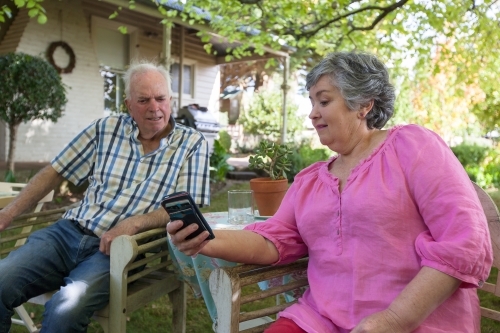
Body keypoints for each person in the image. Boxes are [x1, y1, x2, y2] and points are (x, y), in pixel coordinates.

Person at [168, 51, 493, 333]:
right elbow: (272, 240)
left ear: (364, 103)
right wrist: (207, 239)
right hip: (318, 320)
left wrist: (395, 319)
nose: (312, 112)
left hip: (416, 321)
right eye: (311, 102)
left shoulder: (413, 147)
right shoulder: (310, 180)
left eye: (324, 100)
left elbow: (466, 241)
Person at [0, 61, 210, 333]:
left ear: (170, 100)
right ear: (128, 104)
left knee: (66, 310)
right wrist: (9, 212)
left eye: (160, 98)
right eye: (143, 100)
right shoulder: (105, 128)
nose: (154, 107)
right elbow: (55, 171)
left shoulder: (191, 144)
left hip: (122, 249)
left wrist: (133, 224)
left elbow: (185, 206)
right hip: (67, 234)